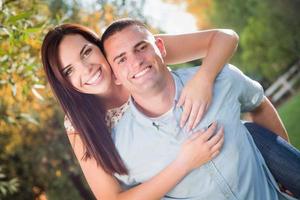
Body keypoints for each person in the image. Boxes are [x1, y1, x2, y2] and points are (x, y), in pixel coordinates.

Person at [41, 23, 300, 199]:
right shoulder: (80, 124)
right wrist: (184, 163)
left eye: (86, 53)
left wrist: (204, 79)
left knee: (251, 133)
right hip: (170, 181)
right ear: (63, 83)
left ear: (102, 49)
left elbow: (224, 37)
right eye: (69, 70)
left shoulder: (135, 52)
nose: (86, 69)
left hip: (229, 141)